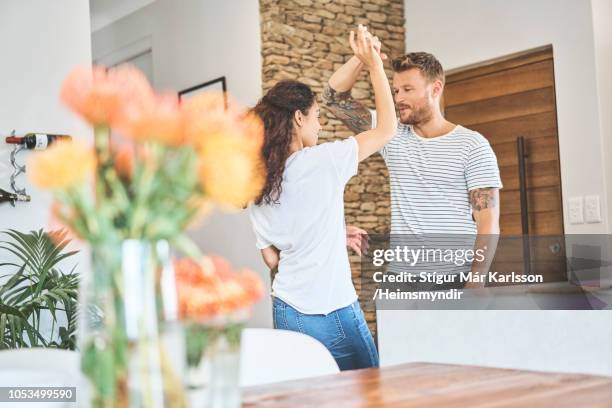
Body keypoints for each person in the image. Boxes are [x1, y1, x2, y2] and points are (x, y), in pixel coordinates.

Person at [248, 25, 397, 370]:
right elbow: (387, 128)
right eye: (315, 117)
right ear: (298, 118)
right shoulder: (322, 160)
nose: (320, 126)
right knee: (368, 393)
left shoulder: (255, 180)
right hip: (335, 308)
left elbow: (273, 259)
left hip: (289, 308)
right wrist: (373, 65)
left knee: (304, 397)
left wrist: (330, 234)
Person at [323, 38, 503, 289]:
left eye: (408, 89)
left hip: (453, 278)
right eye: (396, 91)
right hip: (401, 279)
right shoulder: (391, 134)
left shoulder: (473, 146)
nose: (398, 98)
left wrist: (476, 280)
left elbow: (488, 220)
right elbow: (333, 100)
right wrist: (363, 57)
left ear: (435, 88)